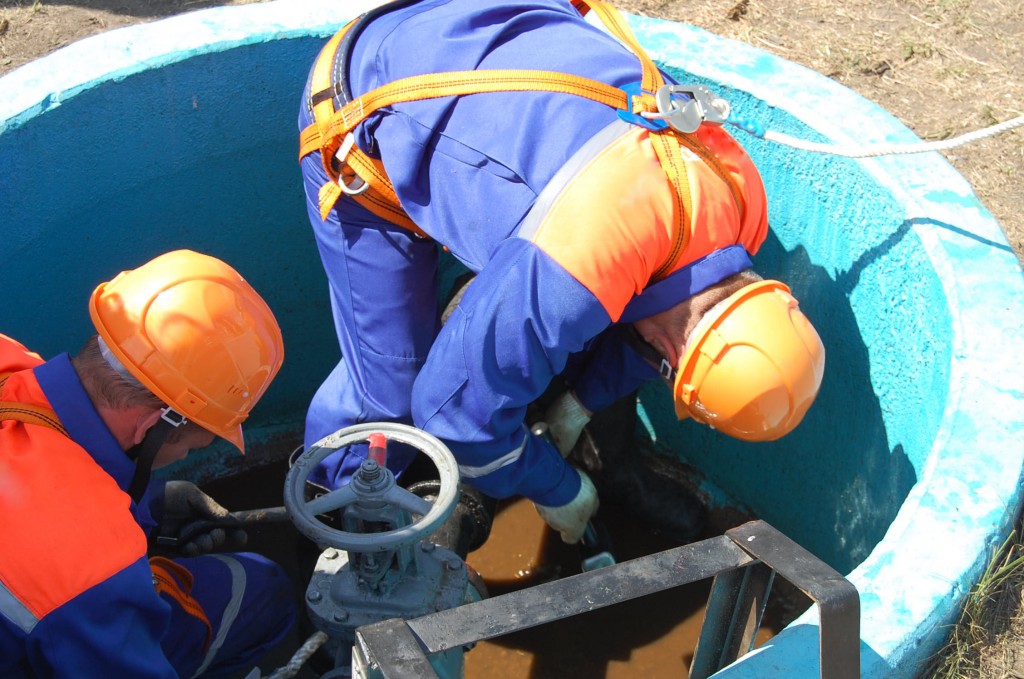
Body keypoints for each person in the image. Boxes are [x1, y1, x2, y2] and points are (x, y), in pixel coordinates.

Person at [296, 0, 825, 548]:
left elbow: (667, 315)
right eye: (670, 369)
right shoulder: (579, 260)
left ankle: (605, 458)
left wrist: (582, 403)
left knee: (580, 315)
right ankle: (332, 522)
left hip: (487, 40)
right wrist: (557, 487)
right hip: (367, 100)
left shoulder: (743, 204)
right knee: (392, 390)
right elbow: (451, 416)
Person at [0, 250, 295, 678]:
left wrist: (145, 505)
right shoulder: (91, 569)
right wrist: (116, 534)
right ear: (152, 426)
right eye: (193, 446)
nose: (185, 456)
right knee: (259, 588)